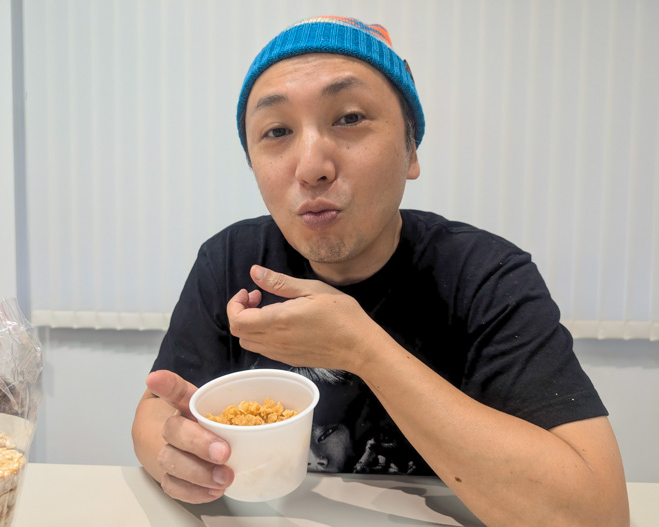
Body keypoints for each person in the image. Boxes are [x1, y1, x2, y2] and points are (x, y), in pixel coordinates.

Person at [132, 16, 629, 526]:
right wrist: (181, 457)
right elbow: (158, 411)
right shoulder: (232, 259)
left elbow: (600, 515)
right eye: (277, 131)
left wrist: (362, 349)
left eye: (349, 118)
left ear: (411, 150)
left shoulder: (485, 275)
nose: (311, 167)